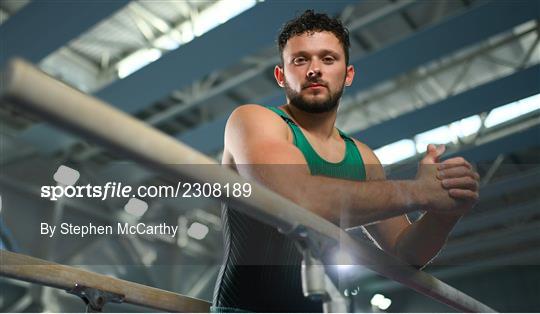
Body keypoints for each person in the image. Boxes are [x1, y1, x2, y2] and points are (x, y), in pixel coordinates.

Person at [212, 10, 479, 313]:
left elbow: (406, 253)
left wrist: (445, 210)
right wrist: (418, 192)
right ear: (281, 75)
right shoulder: (254, 121)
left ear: (348, 74)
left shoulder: (363, 158)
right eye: (300, 60)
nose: (314, 69)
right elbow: (295, 200)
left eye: (328, 59)